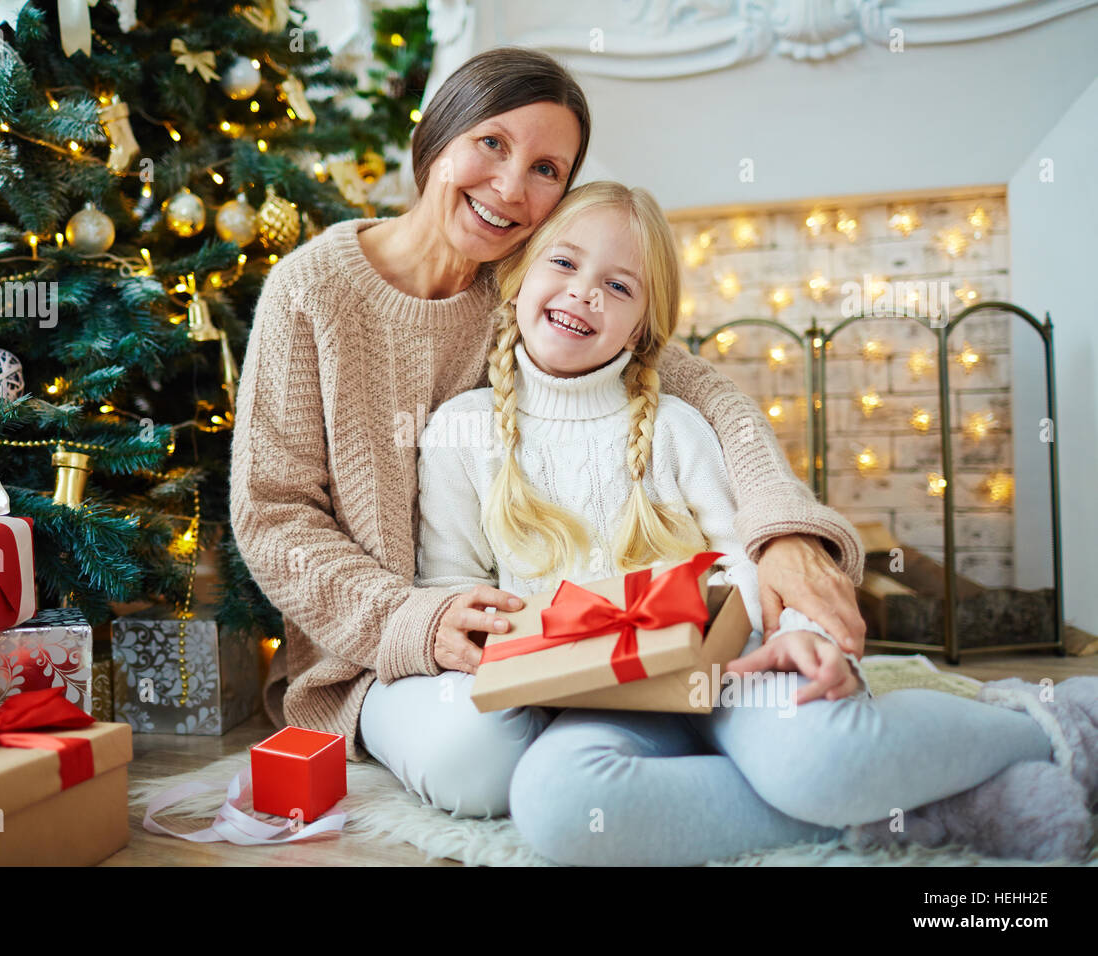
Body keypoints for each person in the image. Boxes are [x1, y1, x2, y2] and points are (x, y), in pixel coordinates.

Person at [231, 46, 865, 817]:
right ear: (438, 136)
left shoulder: (529, 278)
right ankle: (778, 794)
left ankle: (790, 779)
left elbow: (702, 392)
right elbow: (272, 513)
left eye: (546, 169)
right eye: (492, 143)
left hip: (542, 644)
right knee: (481, 768)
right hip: (377, 654)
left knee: (605, 730)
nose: (510, 186)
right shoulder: (311, 291)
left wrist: (782, 533)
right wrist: (409, 621)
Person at [412, 179, 1098, 864]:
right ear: (517, 274)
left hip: (736, 667)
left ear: (644, 327)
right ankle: (919, 808)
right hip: (591, 704)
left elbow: (752, 558)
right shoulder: (461, 432)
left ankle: (1047, 723)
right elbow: (453, 585)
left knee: (821, 758)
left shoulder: (676, 427)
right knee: (558, 805)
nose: (586, 291)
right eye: (563, 263)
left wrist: (794, 634)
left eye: (620, 287)